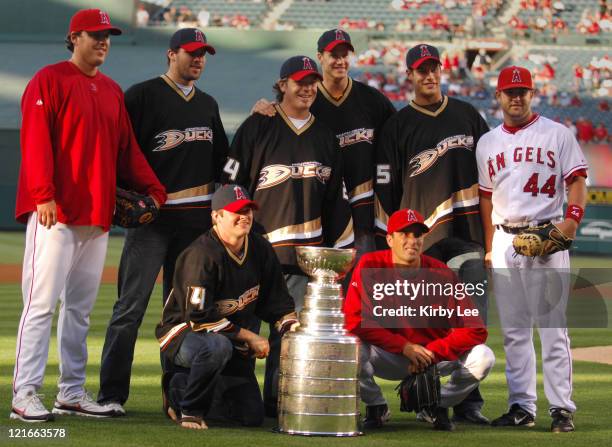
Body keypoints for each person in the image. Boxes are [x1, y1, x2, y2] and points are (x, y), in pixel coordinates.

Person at [11, 9, 166, 422]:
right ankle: (25, 393)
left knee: (79, 310)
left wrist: (154, 190)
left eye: (108, 35)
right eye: (95, 35)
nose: (103, 41)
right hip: (55, 215)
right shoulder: (49, 80)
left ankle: (71, 392)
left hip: (97, 218)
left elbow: (127, 150)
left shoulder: (112, 91)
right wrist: (43, 193)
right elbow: (36, 140)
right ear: (74, 37)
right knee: (40, 306)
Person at [97, 28, 228, 414]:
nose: (199, 59)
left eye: (204, 54)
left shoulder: (207, 104)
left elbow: (224, 161)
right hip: (151, 223)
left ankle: (177, 396)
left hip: (195, 228)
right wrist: (122, 194)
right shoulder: (141, 95)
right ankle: (110, 396)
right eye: (192, 53)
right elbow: (120, 150)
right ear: (171, 55)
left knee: (186, 315)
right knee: (129, 310)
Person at [222, 55, 354, 416]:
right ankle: (238, 399)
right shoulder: (257, 127)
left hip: (303, 257)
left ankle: (278, 400)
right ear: (282, 85)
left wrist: (336, 254)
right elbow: (231, 188)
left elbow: (335, 202)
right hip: (255, 253)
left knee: (289, 335)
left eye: (312, 81)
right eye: (299, 81)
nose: (307, 88)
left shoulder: (326, 137)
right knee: (244, 331)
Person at [374, 43, 491, 425]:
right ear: (409, 75)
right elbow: (387, 192)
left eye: (434, 68)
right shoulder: (398, 125)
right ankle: (427, 396)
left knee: (472, 319)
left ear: (442, 70)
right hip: (424, 243)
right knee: (428, 323)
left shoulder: (467, 114)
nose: (428, 75)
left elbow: (490, 170)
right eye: (421, 69)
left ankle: (467, 400)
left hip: (469, 235)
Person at [476, 66, 588, 433]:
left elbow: (577, 180)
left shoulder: (557, 134)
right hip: (506, 237)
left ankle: (561, 408)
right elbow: (486, 199)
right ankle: (522, 406)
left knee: (553, 327)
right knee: (514, 330)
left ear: (532, 93)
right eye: (510, 91)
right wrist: (491, 248)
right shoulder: (487, 143)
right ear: (499, 96)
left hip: (547, 235)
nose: (517, 97)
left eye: (523, 90)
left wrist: (570, 222)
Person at [155, 184, 298, 430]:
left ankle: (189, 384)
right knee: (216, 346)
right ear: (216, 216)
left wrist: (293, 326)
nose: (244, 216)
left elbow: (277, 301)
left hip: (227, 336)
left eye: (248, 210)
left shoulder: (260, 248)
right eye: (236, 211)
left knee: (251, 416)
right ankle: (187, 405)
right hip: (184, 332)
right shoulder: (201, 254)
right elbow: (199, 318)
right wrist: (250, 337)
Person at [343, 209, 495, 431]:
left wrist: (433, 353)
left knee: (484, 357)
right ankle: (376, 405)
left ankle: (436, 404)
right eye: (404, 234)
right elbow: (354, 321)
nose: (411, 241)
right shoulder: (370, 265)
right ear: (389, 238)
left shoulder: (442, 273)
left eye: (417, 235)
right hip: (388, 355)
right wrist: (403, 346)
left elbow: (476, 329)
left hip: (430, 359)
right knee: (349, 349)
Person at [251, 29, 396, 256]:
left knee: (360, 281)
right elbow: (283, 113)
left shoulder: (372, 100)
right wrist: (262, 107)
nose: (340, 61)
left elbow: (395, 145)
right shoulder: (308, 102)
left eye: (344, 55)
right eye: (333, 55)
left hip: (363, 214)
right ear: (320, 57)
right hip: (319, 211)